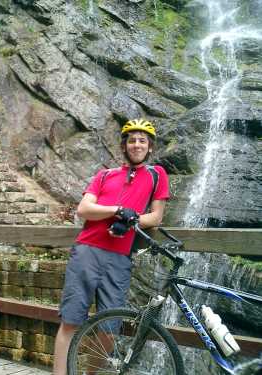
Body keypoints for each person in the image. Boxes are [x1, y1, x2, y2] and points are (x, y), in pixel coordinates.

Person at [52, 118, 170, 375]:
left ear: (149, 147)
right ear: (124, 146)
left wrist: (130, 221)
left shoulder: (156, 174)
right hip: (87, 251)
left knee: (109, 327)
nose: (136, 145)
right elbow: (85, 209)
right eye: (131, 140)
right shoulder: (104, 174)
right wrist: (118, 211)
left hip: (119, 258)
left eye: (142, 141)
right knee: (71, 320)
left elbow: (156, 217)